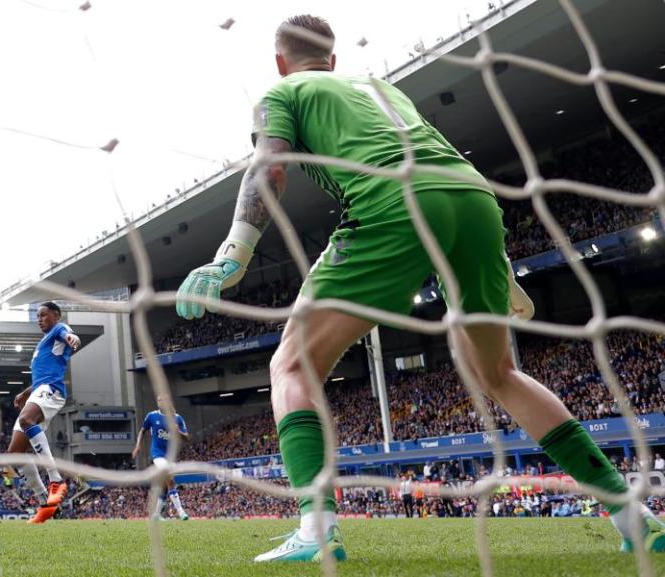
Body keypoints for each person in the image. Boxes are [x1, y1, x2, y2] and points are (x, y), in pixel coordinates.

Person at [175, 13, 660, 562]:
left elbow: (271, 165)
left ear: (280, 61)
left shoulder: (283, 89)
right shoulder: (381, 88)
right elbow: (435, 162)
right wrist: (494, 262)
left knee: (291, 366)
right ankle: (632, 513)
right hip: (473, 201)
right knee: (498, 373)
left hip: (392, 205)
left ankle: (316, 528)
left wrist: (232, 255)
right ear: (334, 59)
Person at [7, 301, 81, 524]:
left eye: (43, 315)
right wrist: (24, 393)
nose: (39, 319)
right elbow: (41, 377)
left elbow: (70, 335)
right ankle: (45, 505)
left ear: (55, 316)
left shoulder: (59, 329)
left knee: (26, 418)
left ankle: (55, 478)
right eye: (37, 316)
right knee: (13, 456)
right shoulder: (43, 343)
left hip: (52, 391)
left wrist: (73, 339)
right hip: (39, 390)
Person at [131, 395, 189, 521]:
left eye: (162, 400)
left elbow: (187, 438)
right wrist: (138, 445)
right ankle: (181, 512)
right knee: (170, 479)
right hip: (157, 454)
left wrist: (178, 431)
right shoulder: (152, 416)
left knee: (164, 485)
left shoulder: (177, 418)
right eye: (158, 400)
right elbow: (142, 431)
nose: (160, 402)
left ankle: (156, 515)